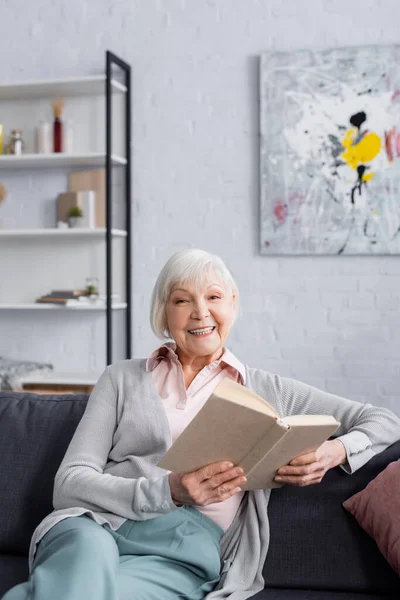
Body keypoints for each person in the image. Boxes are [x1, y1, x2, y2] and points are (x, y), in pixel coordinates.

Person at [3, 249, 400, 600]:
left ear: (232, 304)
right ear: (163, 312)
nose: (200, 312)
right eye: (182, 300)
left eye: (213, 297)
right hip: (91, 526)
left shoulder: (268, 389)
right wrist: (168, 490)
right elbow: (69, 483)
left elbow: (384, 420)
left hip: (179, 551)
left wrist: (335, 451)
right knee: (84, 568)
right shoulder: (120, 379)